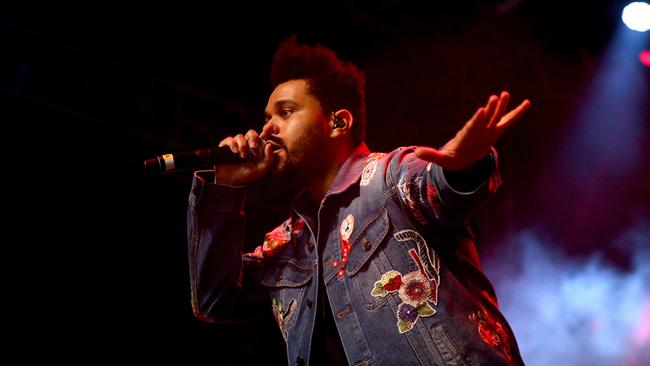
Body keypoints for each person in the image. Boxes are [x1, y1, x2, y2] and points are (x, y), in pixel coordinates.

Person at [187, 36, 530, 365]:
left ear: (338, 122)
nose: (267, 131)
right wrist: (225, 190)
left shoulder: (389, 175)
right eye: (266, 118)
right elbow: (215, 300)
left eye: (286, 112)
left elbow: (438, 188)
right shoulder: (285, 243)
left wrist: (460, 168)